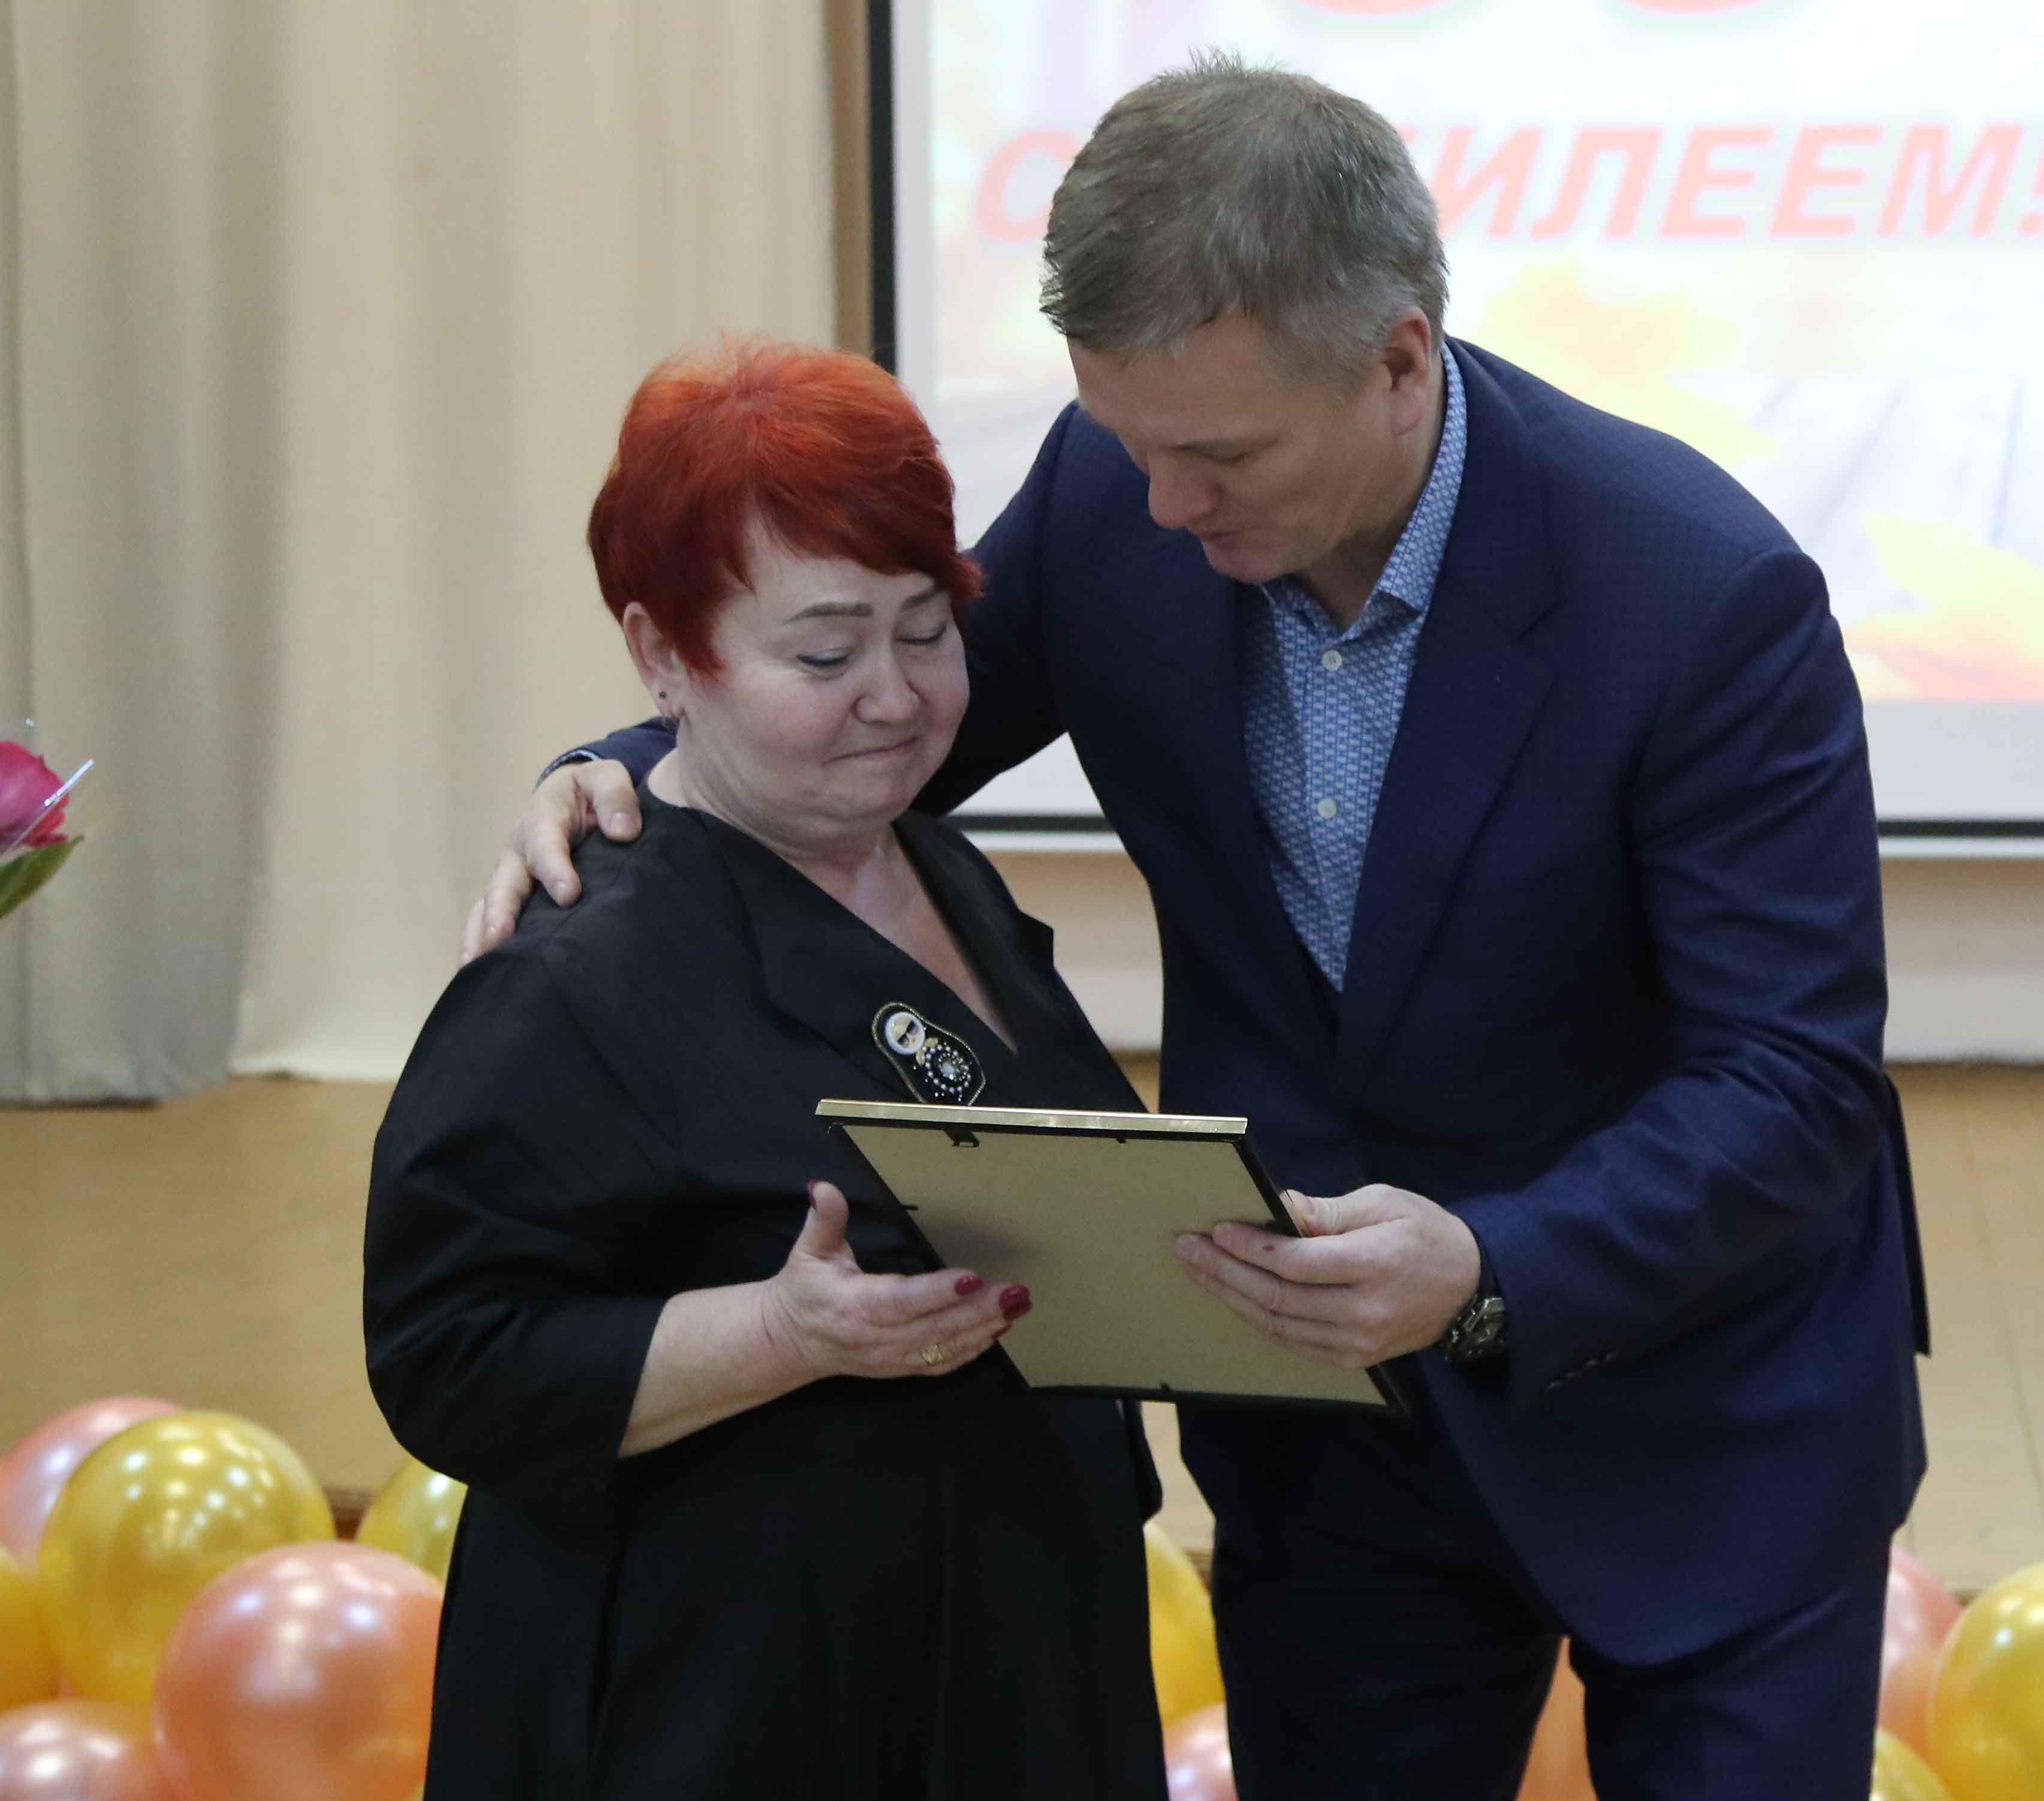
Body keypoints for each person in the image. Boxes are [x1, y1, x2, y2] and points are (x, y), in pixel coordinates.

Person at [470, 55, 1926, 1801]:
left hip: (1700, 1415)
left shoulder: (1696, 593)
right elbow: (887, 725)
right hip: (1326, 1433)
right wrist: (629, 770)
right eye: (1130, 443)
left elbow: (1795, 1078)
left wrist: (1486, 1263)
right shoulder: (1125, 493)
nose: (1164, 509)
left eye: (1221, 456)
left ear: (1399, 360)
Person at [369, 339, 1167, 1801]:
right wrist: (778, 1330)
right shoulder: (574, 972)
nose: (896, 696)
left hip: (1007, 1649)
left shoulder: (931, 862)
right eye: (823, 653)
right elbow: (449, 1351)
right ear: (663, 654)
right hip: (732, 1695)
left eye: (927, 630)